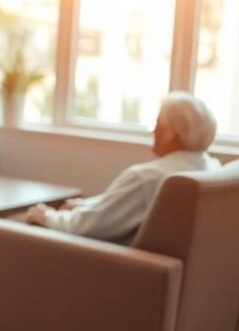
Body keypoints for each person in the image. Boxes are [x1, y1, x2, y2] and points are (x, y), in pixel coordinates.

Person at [26, 91, 221, 242]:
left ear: (170, 133)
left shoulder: (147, 178)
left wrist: (47, 216)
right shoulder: (212, 170)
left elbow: (86, 227)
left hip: (116, 268)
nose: (153, 130)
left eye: (158, 123)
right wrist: (83, 205)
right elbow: (118, 208)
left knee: (22, 228)